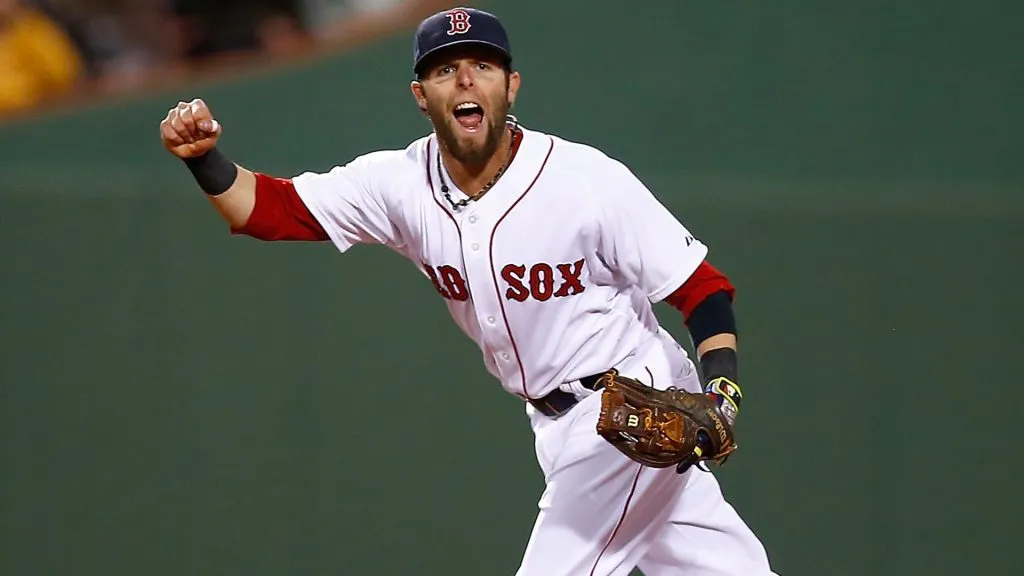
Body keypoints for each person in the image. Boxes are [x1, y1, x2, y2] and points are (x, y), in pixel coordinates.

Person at [159, 7, 778, 576]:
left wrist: (720, 387)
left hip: (632, 409)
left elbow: (702, 287)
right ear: (420, 96)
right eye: (445, 70)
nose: (464, 81)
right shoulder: (398, 184)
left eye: (482, 66)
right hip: (557, 427)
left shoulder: (586, 180)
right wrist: (203, 160)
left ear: (510, 86)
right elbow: (268, 211)